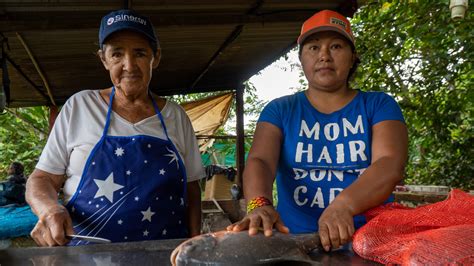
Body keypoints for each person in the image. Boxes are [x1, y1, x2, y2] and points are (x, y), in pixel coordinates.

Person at [227, 9, 408, 252]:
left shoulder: (378, 105)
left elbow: (389, 163)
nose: (324, 56)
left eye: (336, 46)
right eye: (313, 47)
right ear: (301, 58)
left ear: (353, 57)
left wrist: (343, 205)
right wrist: (259, 204)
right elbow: (261, 160)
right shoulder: (280, 110)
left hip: (371, 244)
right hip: (294, 244)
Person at [25, 9, 205, 247]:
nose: (129, 65)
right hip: (87, 256)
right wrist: (49, 210)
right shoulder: (80, 106)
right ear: (104, 59)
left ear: (156, 57)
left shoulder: (176, 116)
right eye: (117, 54)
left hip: (165, 253)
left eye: (140, 53)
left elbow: (192, 190)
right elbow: (42, 179)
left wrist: (194, 247)